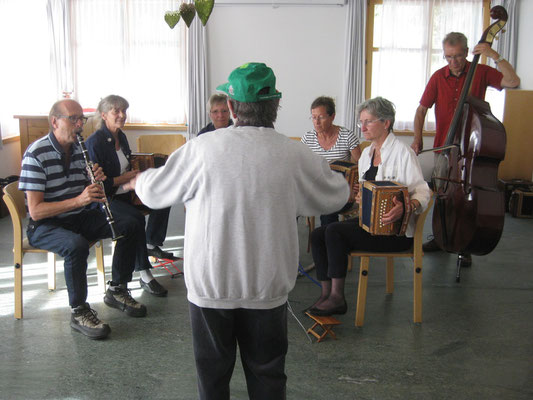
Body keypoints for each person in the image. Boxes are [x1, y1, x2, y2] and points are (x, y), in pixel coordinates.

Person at [126, 62, 350, 399]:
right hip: (267, 288)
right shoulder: (293, 154)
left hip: (210, 288)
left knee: (213, 378)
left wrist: (139, 179)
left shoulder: (201, 149)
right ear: (276, 104)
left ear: (230, 107)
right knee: (268, 377)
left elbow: (154, 192)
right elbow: (336, 194)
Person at [18, 99, 147, 340]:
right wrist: (80, 200)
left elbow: (86, 189)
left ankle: (117, 289)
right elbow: (36, 211)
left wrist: (95, 180)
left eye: (82, 119)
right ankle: (79, 310)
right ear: (55, 121)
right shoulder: (36, 154)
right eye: (73, 119)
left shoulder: (79, 150)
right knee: (75, 245)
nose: (80, 125)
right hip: (46, 225)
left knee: (131, 223)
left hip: (78, 217)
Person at [307, 97, 431, 316]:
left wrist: (407, 206)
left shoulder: (403, 153)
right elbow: (366, 194)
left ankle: (337, 297)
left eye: (368, 122)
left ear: (386, 123)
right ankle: (326, 295)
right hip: (370, 225)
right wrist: (357, 197)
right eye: (361, 122)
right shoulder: (366, 154)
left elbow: (423, 191)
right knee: (317, 234)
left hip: (394, 233)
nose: (362, 127)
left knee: (335, 231)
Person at [411, 32, 520, 265]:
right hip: (445, 146)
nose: (454, 62)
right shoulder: (438, 77)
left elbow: (513, 81)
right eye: (449, 57)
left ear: (467, 51)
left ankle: (465, 244)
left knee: (465, 198)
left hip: (470, 147)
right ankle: (441, 238)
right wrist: (417, 138)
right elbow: (421, 110)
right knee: (442, 195)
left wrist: (493, 55)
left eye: (458, 56)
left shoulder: (479, 72)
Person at [85, 95, 174, 297]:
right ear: (103, 114)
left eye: (124, 110)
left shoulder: (121, 136)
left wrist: (139, 174)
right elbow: (97, 184)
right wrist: (123, 178)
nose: (122, 115)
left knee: (163, 199)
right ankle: (145, 274)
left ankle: (151, 243)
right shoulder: (94, 143)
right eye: (116, 111)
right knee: (134, 219)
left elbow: (128, 162)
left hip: (125, 191)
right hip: (105, 198)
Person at [301, 96, 362, 226]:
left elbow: (362, 167)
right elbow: (300, 166)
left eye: (321, 117)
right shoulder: (307, 138)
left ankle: (328, 241)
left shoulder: (347, 136)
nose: (316, 122)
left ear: (332, 116)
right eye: (313, 117)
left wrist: (354, 186)